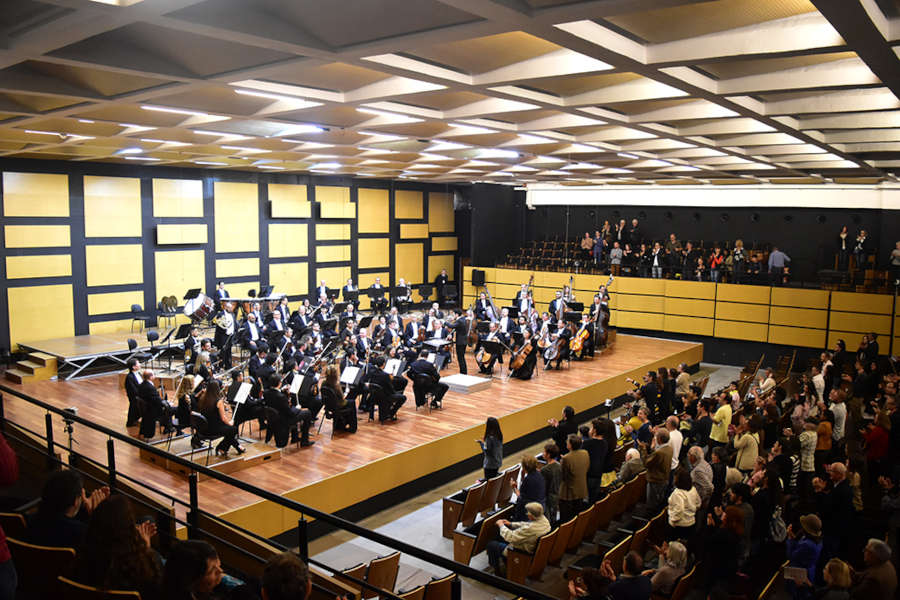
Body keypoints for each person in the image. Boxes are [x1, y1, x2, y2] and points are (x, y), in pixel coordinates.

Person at [75, 495, 163, 600]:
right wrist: (146, 550)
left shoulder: (80, 556)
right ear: (129, 529)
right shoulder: (144, 565)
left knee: (147, 520)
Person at [27, 469, 109, 548]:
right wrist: (96, 518)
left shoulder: (30, 521)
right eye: (81, 495)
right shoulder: (82, 533)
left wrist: (85, 510)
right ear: (75, 501)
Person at [486, 502, 551, 576]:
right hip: (532, 547)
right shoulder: (544, 520)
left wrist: (501, 525)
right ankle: (506, 565)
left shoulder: (529, 529)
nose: (527, 514)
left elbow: (510, 537)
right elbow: (527, 524)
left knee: (491, 545)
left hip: (520, 552)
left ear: (532, 515)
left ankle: (497, 571)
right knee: (500, 538)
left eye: (528, 512)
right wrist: (511, 524)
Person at [198, 380, 244, 456]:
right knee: (233, 429)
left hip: (204, 427)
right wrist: (230, 423)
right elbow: (223, 418)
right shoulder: (218, 401)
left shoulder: (203, 398)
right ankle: (221, 447)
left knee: (230, 431)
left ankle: (236, 446)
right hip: (213, 429)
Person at [559, 434, 590, 523]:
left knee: (566, 518)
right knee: (578, 513)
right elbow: (587, 467)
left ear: (571, 445)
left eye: (567, 442)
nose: (566, 443)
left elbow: (563, 476)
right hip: (581, 488)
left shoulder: (566, 458)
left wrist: (562, 462)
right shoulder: (585, 453)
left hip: (569, 492)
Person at [138, 370, 175, 440]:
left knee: (167, 407)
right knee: (170, 409)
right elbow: (157, 401)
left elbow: (153, 398)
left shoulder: (142, 385)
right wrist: (167, 403)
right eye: (154, 374)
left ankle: (168, 426)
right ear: (151, 377)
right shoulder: (150, 387)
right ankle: (169, 428)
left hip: (147, 410)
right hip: (152, 411)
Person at [320, 365, 356, 433]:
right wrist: (346, 392)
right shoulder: (336, 385)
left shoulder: (323, 383)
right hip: (338, 405)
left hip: (328, 406)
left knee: (349, 402)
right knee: (352, 402)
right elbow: (342, 398)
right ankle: (353, 427)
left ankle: (340, 424)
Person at [643, 430, 673, 510]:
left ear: (659, 439)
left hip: (656, 481)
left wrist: (644, 449)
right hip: (664, 478)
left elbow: (646, 463)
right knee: (659, 499)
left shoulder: (659, 453)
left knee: (652, 504)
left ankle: (652, 519)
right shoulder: (669, 448)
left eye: (656, 437)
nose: (654, 438)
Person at [667, 468, 700, 542]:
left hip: (679, 526)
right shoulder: (693, 489)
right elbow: (698, 503)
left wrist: (672, 521)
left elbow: (680, 510)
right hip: (691, 524)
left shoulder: (677, 493)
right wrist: (690, 512)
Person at [512, 455, 546, 521]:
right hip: (541, 507)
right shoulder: (540, 474)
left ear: (524, 467)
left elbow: (521, 498)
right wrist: (522, 478)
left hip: (529, 512)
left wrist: (514, 488)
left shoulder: (528, 480)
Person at [540, 443, 562, 525]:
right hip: (557, 495)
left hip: (548, 498)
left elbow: (543, 487)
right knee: (554, 517)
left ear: (548, 455)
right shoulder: (559, 465)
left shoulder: (545, 470)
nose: (543, 453)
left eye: (544, 452)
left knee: (548, 520)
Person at [124, 358, 142, 427]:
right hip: (135, 397)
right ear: (134, 367)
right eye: (138, 363)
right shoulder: (129, 377)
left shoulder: (138, 373)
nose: (140, 364)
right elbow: (133, 390)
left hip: (140, 394)